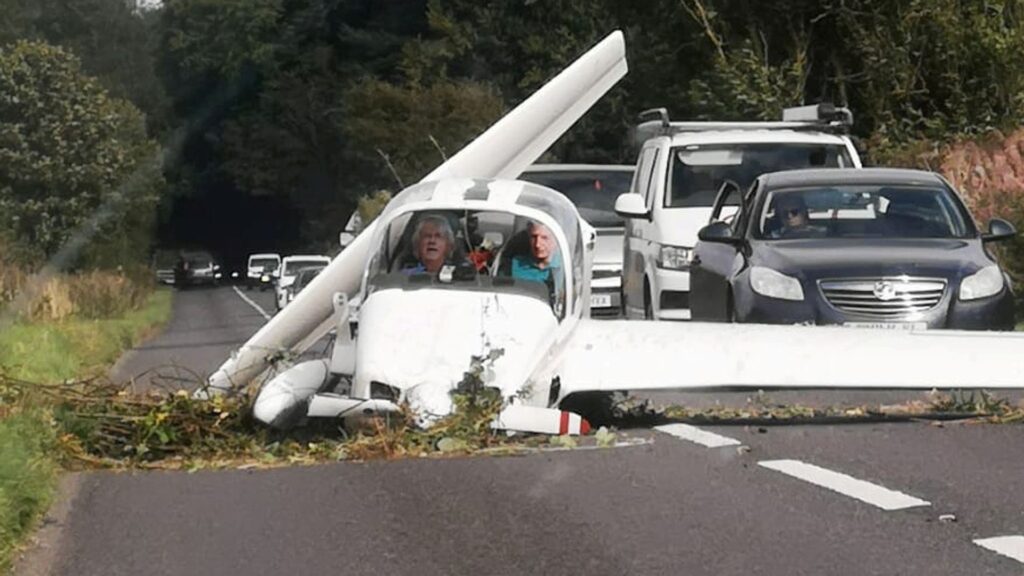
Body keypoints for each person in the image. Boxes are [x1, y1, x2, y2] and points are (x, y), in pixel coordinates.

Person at [510, 221, 564, 310]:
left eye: (545, 238)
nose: (537, 244)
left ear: (556, 241)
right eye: (534, 237)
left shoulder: (566, 269)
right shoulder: (514, 264)